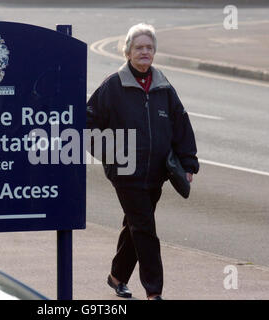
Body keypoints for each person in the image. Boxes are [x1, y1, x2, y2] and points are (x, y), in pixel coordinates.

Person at [86, 23, 199, 300]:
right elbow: (86, 125)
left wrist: (188, 162)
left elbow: (180, 124)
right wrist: (110, 153)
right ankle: (154, 291)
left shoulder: (163, 86)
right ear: (127, 52)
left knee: (135, 226)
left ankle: (116, 277)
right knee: (145, 229)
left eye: (149, 47)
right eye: (139, 48)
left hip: (156, 172)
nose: (144, 52)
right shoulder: (113, 85)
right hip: (126, 172)